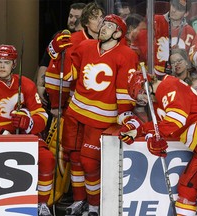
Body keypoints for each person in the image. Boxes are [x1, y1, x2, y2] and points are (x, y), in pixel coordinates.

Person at [49, 14, 139, 216]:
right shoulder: (86, 46)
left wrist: (125, 116)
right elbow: (68, 72)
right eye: (103, 24)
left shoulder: (126, 55)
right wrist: (55, 51)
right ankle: (79, 200)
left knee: (90, 162)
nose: (103, 27)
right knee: (74, 158)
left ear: (118, 33)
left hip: (101, 118)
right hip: (75, 112)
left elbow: (124, 90)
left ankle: (94, 205)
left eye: (109, 25)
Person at [120, 71, 197, 216]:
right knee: (187, 190)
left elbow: (176, 120)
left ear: (147, 86)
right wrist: (136, 129)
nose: (144, 100)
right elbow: (159, 126)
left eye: (142, 94)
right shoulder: (159, 101)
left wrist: (155, 135)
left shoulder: (168, 85)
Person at [0, 45, 55, 216]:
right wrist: (3, 133)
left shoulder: (27, 84)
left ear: (14, 64)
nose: (2, 66)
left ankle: (42, 203)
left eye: (6, 62)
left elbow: (42, 116)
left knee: (47, 159)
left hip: (24, 136)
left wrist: (28, 123)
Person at [36, 2, 87, 106]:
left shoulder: (89, 40)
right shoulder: (59, 36)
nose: (72, 20)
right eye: (70, 16)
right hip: (55, 95)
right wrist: (40, 86)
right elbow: (45, 62)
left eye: (77, 17)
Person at [133, 0, 196, 76]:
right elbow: (137, 48)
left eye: (179, 8)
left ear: (186, 13)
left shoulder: (190, 31)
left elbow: (189, 61)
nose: (173, 10)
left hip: (174, 77)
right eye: (173, 5)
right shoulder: (155, 21)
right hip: (150, 74)